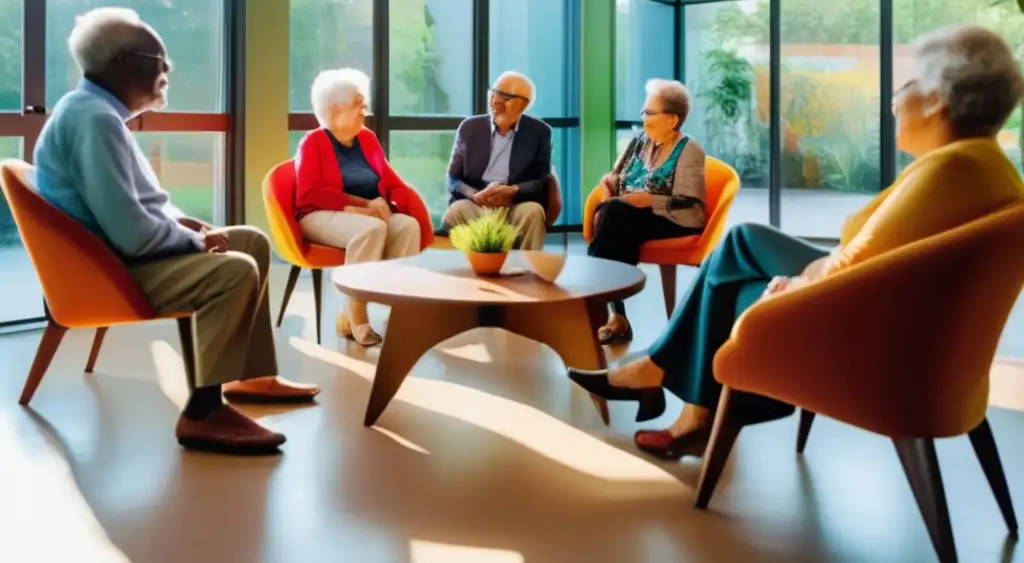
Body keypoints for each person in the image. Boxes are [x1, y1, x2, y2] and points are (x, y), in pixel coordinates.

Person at [569, 25, 1024, 460]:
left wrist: (800, 285)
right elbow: (882, 258)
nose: (894, 100)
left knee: (726, 284)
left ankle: (669, 387)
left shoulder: (949, 170)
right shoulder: (979, 163)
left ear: (936, 102)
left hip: (867, 328)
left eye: (907, 85)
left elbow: (857, 262)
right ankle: (673, 391)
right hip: (896, 315)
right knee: (741, 244)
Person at [33, 8, 319, 455]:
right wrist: (194, 242)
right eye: (158, 58)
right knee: (235, 269)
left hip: (121, 257)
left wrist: (181, 224)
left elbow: (129, 209)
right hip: (115, 273)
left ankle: (249, 373)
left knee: (249, 241)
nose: (167, 69)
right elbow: (129, 233)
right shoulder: (95, 121)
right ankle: (203, 412)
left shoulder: (92, 111)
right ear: (122, 61)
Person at [294, 68, 431, 347]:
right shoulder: (314, 142)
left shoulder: (366, 138)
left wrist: (399, 208)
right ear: (333, 111)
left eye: (363, 103)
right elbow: (311, 193)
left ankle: (400, 311)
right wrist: (364, 204)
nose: (364, 110)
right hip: (317, 215)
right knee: (371, 228)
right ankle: (356, 315)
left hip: (368, 214)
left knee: (407, 226)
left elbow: (391, 182)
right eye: (357, 104)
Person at [588, 79, 707, 345]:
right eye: (643, 112)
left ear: (673, 119)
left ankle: (601, 304)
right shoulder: (640, 142)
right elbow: (615, 178)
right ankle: (613, 312)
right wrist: (608, 192)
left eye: (649, 113)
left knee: (614, 220)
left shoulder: (690, 150)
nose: (643, 118)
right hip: (628, 214)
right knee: (614, 217)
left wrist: (647, 201)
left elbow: (690, 203)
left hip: (675, 220)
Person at [442, 71, 551, 251]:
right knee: (457, 211)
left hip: (514, 205)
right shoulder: (469, 128)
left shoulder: (539, 132)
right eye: (493, 93)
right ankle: (461, 274)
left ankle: (527, 272)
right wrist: (474, 195)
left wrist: (513, 190)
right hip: (475, 203)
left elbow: (541, 182)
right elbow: (453, 179)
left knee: (534, 212)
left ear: (523, 104)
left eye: (505, 97)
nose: (495, 101)